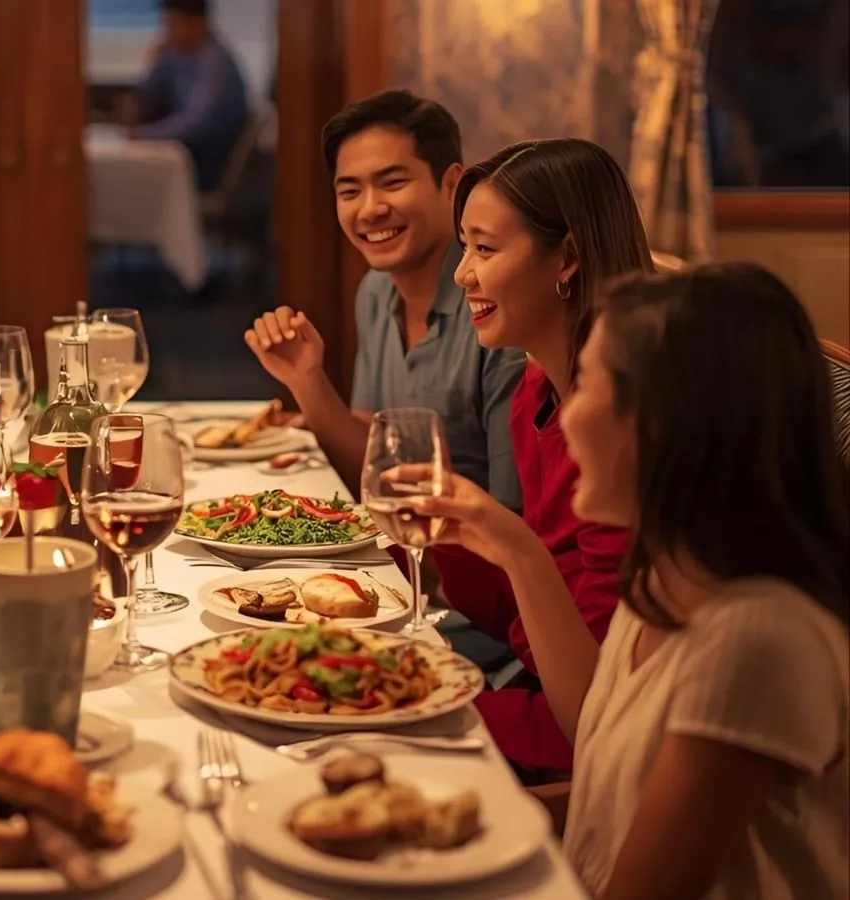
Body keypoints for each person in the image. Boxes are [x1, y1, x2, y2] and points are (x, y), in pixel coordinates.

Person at [417, 263, 849, 899]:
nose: (564, 420)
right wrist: (427, 815)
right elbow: (604, 788)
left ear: (668, 421)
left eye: (587, 383)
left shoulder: (759, 640)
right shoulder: (666, 577)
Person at [425, 137, 653, 780]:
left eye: (485, 249)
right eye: (464, 246)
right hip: (543, 688)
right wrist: (434, 544)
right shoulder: (537, 392)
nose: (462, 274)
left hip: (590, 740)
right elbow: (535, 610)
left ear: (569, 258)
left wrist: (508, 543)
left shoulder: (619, 432)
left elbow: (599, 711)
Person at [245, 89, 528, 511]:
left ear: (452, 185)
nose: (370, 209)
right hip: (401, 545)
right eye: (350, 191)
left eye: (393, 183)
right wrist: (306, 379)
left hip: (468, 565)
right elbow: (373, 458)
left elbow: (514, 508)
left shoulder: (495, 306)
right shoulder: (376, 292)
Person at [131, 0, 249, 190]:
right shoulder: (176, 56)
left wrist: (144, 136)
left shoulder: (216, 66)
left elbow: (196, 125)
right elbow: (147, 100)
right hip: (183, 162)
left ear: (195, 23)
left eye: (172, 24)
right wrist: (154, 64)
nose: (167, 31)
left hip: (203, 171)